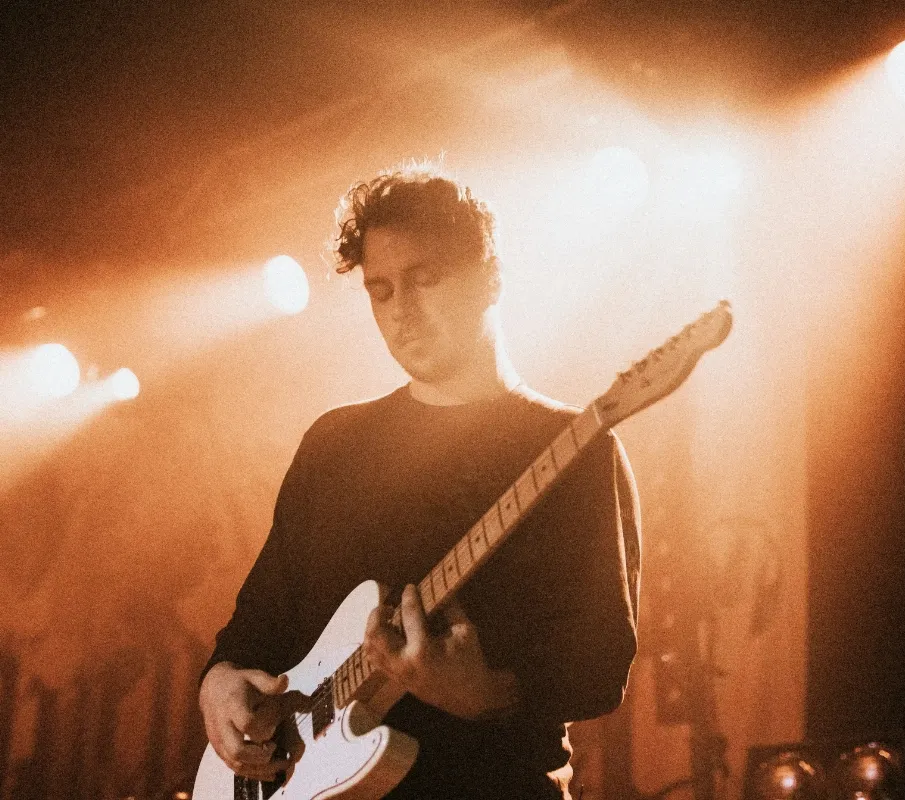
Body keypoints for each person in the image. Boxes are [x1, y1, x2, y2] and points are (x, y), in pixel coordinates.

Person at [197, 165, 641, 799]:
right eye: (381, 290)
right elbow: (254, 629)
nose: (402, 312)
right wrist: (217, 684)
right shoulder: (333, 445)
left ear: (491, 277)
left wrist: (487, 694)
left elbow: (600, 669)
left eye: (427, 279)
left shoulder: (574, 449)